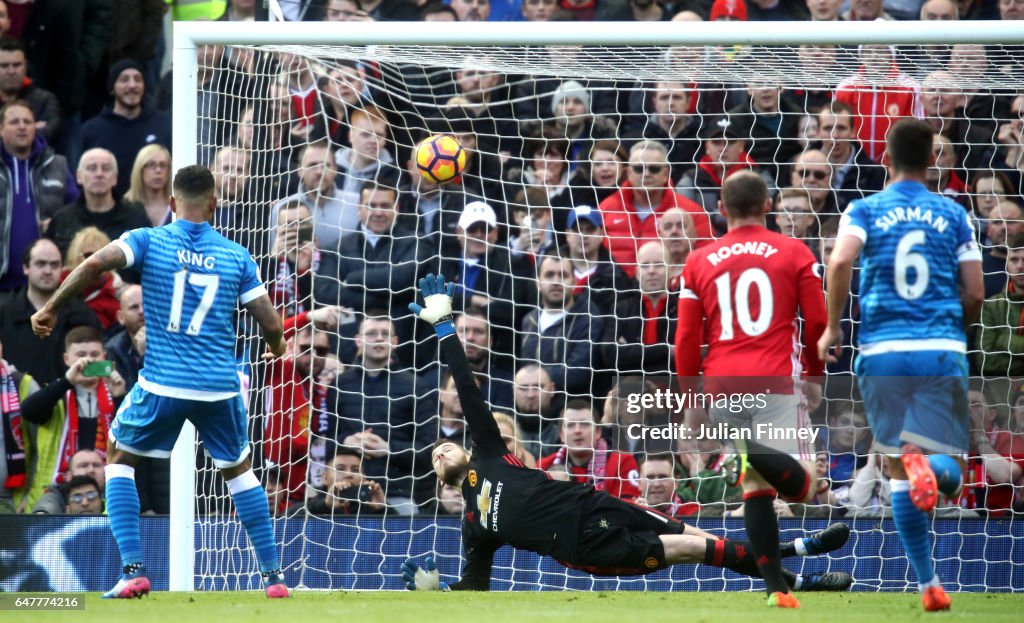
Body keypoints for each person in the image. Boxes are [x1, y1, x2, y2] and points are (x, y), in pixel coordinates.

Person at [402, 274, 851, 592]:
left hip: (595, 501)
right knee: (690, 548)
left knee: (699, 536)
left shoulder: (489, 454)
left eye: (444, 446)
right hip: (588, 543)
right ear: (443, 481)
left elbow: (465, 384)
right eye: (436, 458)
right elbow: (475, 585)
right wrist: (436, 592)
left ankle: (798, 553)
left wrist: (444, 327)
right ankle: (800, 567)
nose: (441, 453)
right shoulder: (473, 525)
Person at [29, 165, 291, 598]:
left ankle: (133, 569)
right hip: (219, 387)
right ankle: (273, 577)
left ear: (171, 203)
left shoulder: (149, 239)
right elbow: (269, 320)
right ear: (213, 203)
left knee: (118, 457)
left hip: (164, 383)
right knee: (240, 472)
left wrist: (52, 307)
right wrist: (278, 346)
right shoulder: (236, 254)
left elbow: (95, 263)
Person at [818, 119, 985, 612]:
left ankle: (928, 584)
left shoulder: (863, 208)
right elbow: (975, 291)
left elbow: (840, 262)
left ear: (885, 158)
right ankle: (929, 468)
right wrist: (953, 326)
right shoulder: (954, 213)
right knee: (950, 470)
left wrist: (833, 327)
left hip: (882, 352)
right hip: (938, 348)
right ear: (933, 159)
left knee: (894, 471)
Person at [675, 170, 829, 608]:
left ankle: (776, 589)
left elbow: (686, 339)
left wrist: (691, 401)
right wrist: (814, 375)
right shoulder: (794, 251)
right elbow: (817, 322)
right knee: (803, 487)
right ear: (769, 206)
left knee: (756, 488)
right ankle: (747, 450)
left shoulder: (699, 260)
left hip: (723, 384)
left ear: (721, 210)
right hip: (776, 380)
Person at [0, 100, 78, 303]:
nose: (22, 126)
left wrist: (58, 225)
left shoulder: (57, 165)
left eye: (27, 121)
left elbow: (76, 214)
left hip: (47, 286)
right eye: (14, 122)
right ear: (1, 129)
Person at [0, 239, 101, 385]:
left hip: (72, 401)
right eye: (40, 264)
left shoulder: (82, 314)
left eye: (54, 265)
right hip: (18, 402)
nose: (48, 271)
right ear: (25, 267)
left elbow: (99, 362)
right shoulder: (4, 314)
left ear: (62, 268)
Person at [81, 59, 172, 198]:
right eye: (124, 80)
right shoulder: (92, 130)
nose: (132, 85)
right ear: (112, 88)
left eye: (137, 79)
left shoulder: (164, 124)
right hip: (110, 213)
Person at [123, 144, 172, 227]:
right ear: (140, 169)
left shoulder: (177, 206)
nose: (158, 170)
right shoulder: (124, 207)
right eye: (151, 165)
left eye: (163, 165)